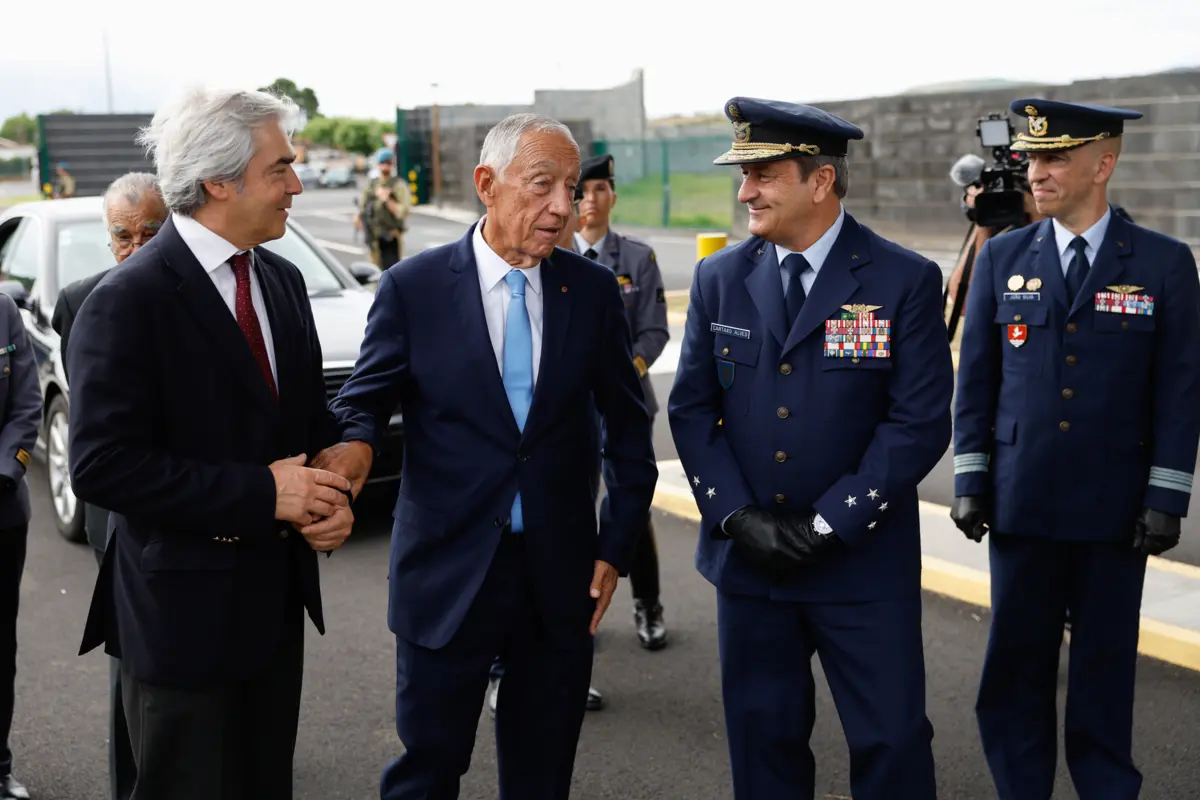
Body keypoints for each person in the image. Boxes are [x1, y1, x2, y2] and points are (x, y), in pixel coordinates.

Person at [316, 112, 658, 800]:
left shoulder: (592, 292)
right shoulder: (412, 288)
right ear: (487, 184)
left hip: (559, 578)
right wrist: (353, 448)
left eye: (571, 188)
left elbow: (628, 428)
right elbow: (366, 397)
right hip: (447, 574)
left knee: (542, 776)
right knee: (428, 770)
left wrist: (614, 547)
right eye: (542, 185)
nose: (562, 207)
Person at [67, 87, 355, 800]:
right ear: (219, 182)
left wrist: (330, 494)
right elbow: (102, 466)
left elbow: (306, 423)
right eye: (280, 168)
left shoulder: (282, 282)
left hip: (274, 612)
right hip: (179, 627)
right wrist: (264, 493)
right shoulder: (126, 300)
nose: (297, 184)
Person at [667, 97, 953, 800]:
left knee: (891, 743)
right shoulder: (719, 278)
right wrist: (737, 517)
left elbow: (917, 422)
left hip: (861, 563)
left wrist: (830, 523)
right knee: (763, 745)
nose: (745, 192)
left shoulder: (902, 279)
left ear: (820, 180)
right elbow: (693, 409)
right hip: (751, 565)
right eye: (744, 175)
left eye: (762, 174)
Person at [951, 98, 1200, 800]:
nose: (1037, 172)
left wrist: (1166, 495)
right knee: (1016, 664)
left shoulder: (1163, 262)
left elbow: (1179, 391)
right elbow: (977, 382)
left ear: (1103, 163)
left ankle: (1107, 788)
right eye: (1033, 157)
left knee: (1104, 666)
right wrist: (970, 478)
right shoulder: (1003, 256)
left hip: (1115, 508)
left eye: (1056, 157)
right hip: (1021, 497)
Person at [50, 171, 165, 800]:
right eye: (123, 235)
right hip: (115, 511)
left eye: (151, 232)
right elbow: (97, 414)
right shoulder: (79, 300)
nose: (136, 247)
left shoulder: (199, 293)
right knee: (129, 656)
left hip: (189, 503)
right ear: (108, 235)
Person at [574, 153, 670, 652]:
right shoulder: (550, 254)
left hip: (624, 404)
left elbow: (654, 331)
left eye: (600, 189)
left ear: (612, 195)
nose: (590, 200)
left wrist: (620, 377)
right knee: (571, 509)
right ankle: (578, 617)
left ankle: (647, 603)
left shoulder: (636, 258)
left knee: (631, 506)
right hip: (571, 410)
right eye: (582, 190)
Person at [0, 292, 43, 800]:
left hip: (1, 512)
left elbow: (27, 403)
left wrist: (4, 473)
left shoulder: (4, 311)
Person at [356, 148, 410, 268]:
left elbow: (403, 212)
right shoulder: (372, 184)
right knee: (374, 270)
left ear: (393, 164)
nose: (385, 166)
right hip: (373, 236)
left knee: (392, 269)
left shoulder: (398, 185)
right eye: (382, 163)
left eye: (388, 163)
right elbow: (363, 207)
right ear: (378, 164)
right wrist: (359, 219)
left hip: (391, 236)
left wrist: (387, 200)